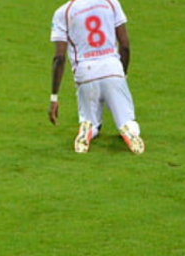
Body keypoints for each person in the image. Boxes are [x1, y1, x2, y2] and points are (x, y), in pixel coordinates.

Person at [47, 0, 145, 154]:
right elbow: (125, 45)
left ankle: (86, 129)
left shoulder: (63, 12)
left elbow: (59, 58)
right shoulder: (111, 3)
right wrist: (122, 74)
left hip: (85, 72)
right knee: (127, 120)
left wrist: (54, 97)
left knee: (92, 122)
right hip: (112, 67)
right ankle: (128, 130)